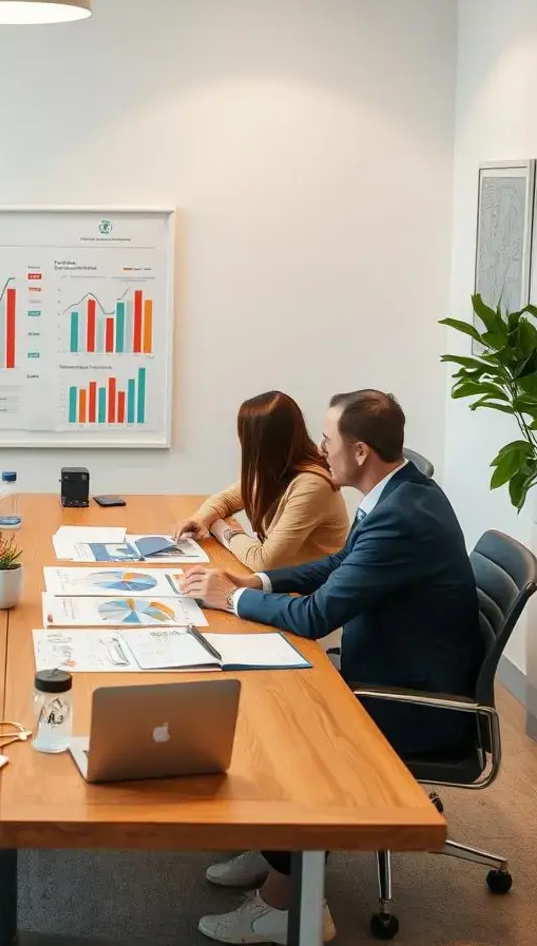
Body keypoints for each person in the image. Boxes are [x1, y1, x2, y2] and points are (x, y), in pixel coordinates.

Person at [182, 390, 480, 945]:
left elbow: (319, 615)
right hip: (389, 665)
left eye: (329, 439)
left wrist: (232, 601)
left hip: (408, 700)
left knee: (282, 729)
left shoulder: (403, 517)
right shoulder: (401, 491)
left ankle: (288, 907)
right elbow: (339, 564)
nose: (320, 449)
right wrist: (258, 582)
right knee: (266, 693)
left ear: (360, 450)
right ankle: (278, 853)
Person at [172, 391, 349, 571]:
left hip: (310, 591)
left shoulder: (311, 485)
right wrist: (201, 519)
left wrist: (221, 528)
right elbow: (225, 500)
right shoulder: (275, 471)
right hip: (287, 581)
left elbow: (264, 561)